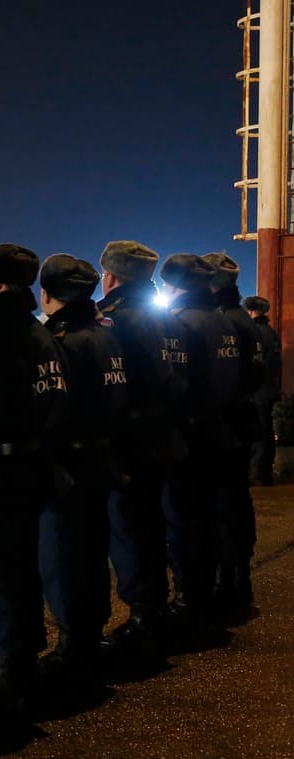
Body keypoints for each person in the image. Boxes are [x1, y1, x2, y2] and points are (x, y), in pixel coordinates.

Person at [0, 244, 69, 718]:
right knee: (23, 568)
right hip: (34, 467)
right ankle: (24, 657)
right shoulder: (41, 334)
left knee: (0, 571)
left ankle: (11, 669)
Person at [36, 255, 128, 696]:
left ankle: (75, 647)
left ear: (47, 294)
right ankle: (89, 637)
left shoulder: (64, 340)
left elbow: (56, 410)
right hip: (102, 458)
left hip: (71, 465)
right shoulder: (105, 334)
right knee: (92, 554)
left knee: (65, 558)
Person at [95, 241, 186, 658]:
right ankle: (157, 608)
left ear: (110, 276)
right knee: (153, 527)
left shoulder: (115, 321)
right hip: (165, 437)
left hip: (130, 443)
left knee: (129, 530)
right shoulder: (167, 319)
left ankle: (142, 617)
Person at [159, 254, 245, 633]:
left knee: (184, 523)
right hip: (222, 433)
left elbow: (175, 385)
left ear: (174, 284)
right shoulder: (225, 321)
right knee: (211, 519)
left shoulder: (178, 323)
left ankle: (189, 603)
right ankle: (211, 595)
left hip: (191, 437)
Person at [203, 253, 263, 614]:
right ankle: (237, 579)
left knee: (223, 506)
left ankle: (228, 583)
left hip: (223, 425)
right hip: (242, 420)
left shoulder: (222, 321)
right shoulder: (244, 319)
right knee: (236, 503)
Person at [244, 295, 282, 485]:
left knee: (258, 431)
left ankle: (257, 473)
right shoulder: (272, 332)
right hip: (270, 387)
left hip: (259, 389)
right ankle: (265, 470)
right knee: (267, 429)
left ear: (251, 311)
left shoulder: (255, 332)